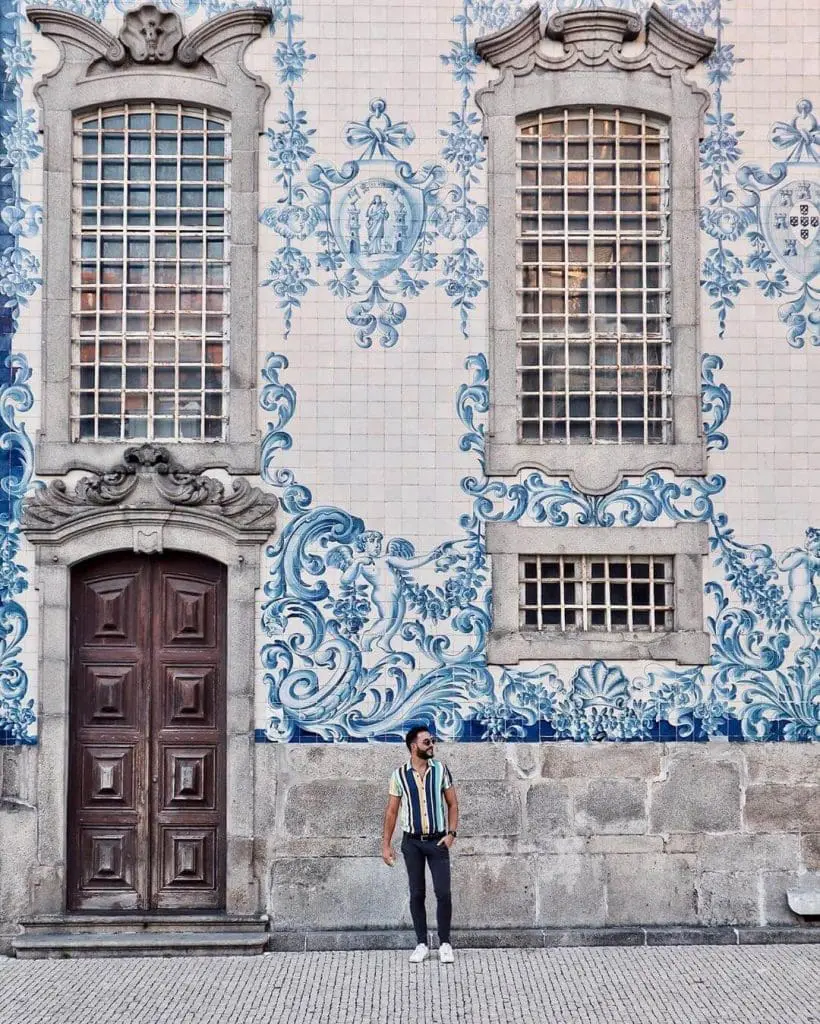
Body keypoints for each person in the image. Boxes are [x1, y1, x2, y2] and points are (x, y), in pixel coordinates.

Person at [382, 726, 459, 964]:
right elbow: (392, 811)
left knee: (443, 892)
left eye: (433, 741)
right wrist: (386, 844)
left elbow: (453, 804)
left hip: (437, 841)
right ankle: (422, 943)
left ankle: (445, 943)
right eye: (427, 742)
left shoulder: (441, 770)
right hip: (412, 843)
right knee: (417, 893)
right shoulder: (399, 775)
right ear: (414, 746)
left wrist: (451, 834)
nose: (432, 745)